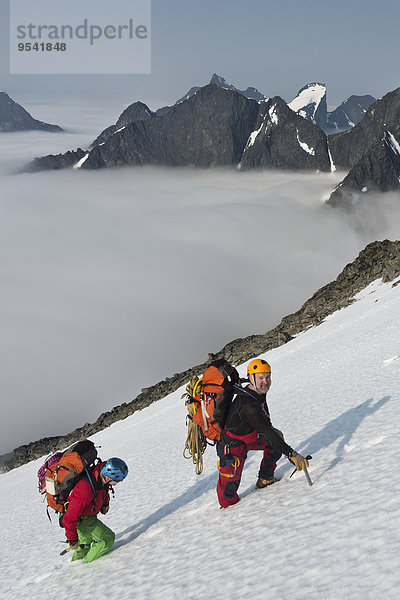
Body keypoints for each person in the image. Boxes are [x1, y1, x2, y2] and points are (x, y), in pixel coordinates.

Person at [216, 359, 308, 508]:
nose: (265, 381)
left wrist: (274, 433)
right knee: (229, 489)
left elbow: (267, 424)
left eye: (267, 377)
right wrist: (293, 454)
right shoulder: (247, 405)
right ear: (251, 378)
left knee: (277, 439)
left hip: (250, 436)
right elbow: (266, 432)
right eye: (261, 378)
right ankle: (228, 512)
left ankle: (265, 479)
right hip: (232, 445)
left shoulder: (258, 393)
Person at [61, 457, 128, 562]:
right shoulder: (85, 490)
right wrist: (72, 540)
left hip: (87, 514)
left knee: (83, 546)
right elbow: (69, 519)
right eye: (117, 480)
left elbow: (104, 489)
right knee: (107, 539)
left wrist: (105, 504)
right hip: (81, 519)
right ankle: (87, 569)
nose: (119, 482)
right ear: (108, 478)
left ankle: (74, 567)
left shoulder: (100, 473)